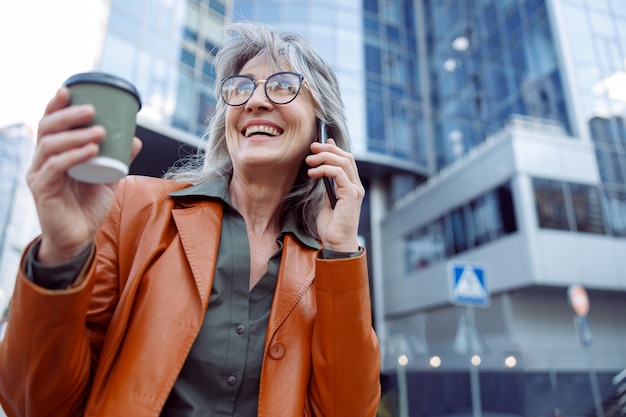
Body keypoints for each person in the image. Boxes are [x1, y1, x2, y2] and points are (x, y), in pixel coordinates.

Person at [0, 21, 380, 417]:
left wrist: (340, 251)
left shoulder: (331, 263)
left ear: (322, 125)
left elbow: (346, 409)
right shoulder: (134, 207)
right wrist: (60, 253)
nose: (255, 101)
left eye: (283, 86)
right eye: (240, 88)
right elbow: (35, 403)